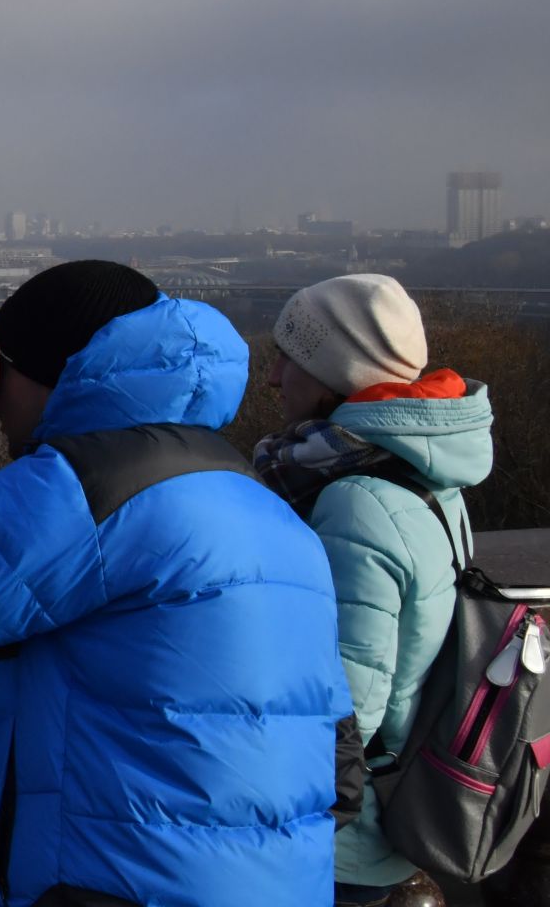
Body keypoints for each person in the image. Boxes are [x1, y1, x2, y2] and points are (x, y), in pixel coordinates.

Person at [0, 260, 358, 907]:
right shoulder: (261, 504)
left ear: (51, 377)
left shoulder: (91, 489)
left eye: (5, 375)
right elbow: (342, 765)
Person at [255, 274, 494, 907]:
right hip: (398, 796)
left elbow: (346, 700)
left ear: (334, 375)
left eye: (289, 358)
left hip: (344, 840)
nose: (274, 377)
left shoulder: (356, 500)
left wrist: (284, 832)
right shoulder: (425, 470)